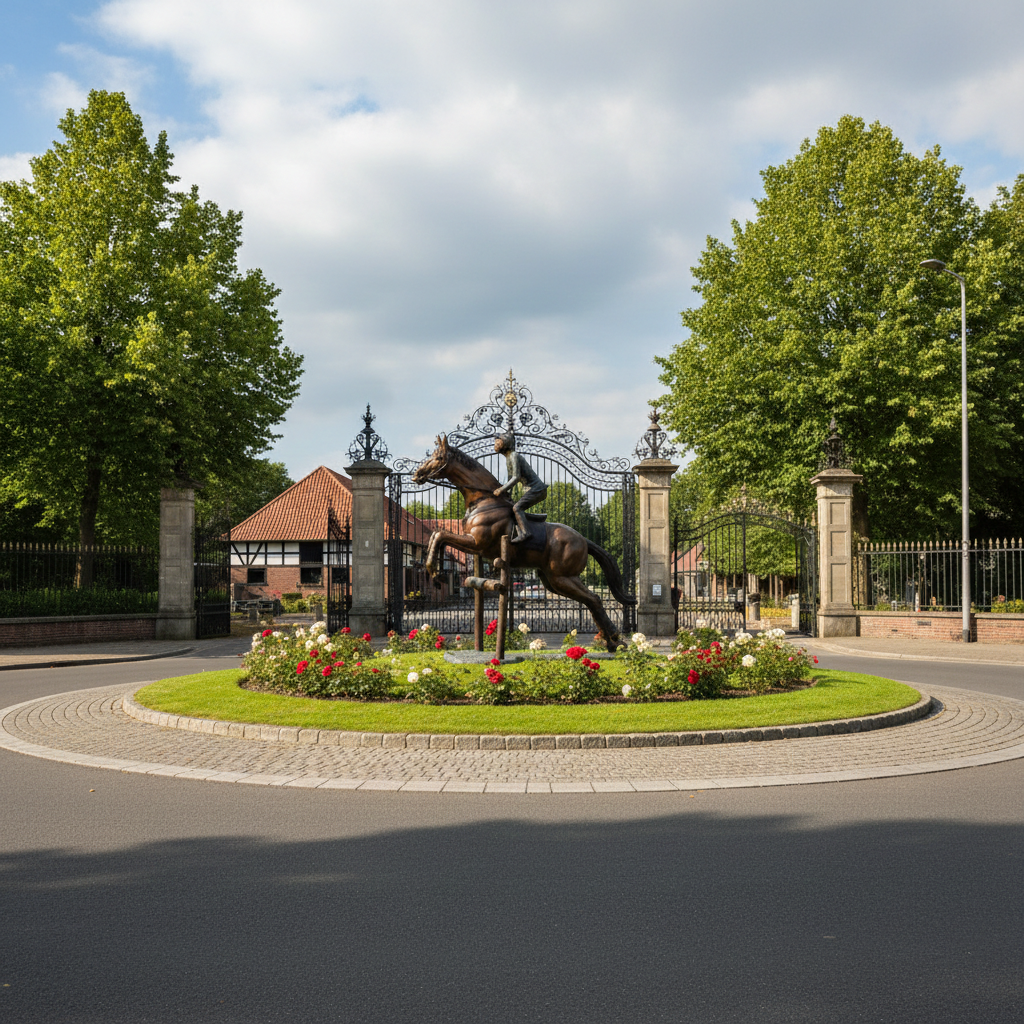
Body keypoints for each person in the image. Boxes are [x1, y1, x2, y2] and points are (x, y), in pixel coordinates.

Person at [493, 432, 547, 543]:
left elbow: (516, 477)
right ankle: (529, 524)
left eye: (498, 442)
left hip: (537, 489)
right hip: (532, 489)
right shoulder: (509, 458)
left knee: (517, 508)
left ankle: (526, 533)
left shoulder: (513, 456)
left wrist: (501, 490)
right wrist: (507, 495)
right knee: (513, 507)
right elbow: (510, 480)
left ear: (506, 443)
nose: (495, 444)